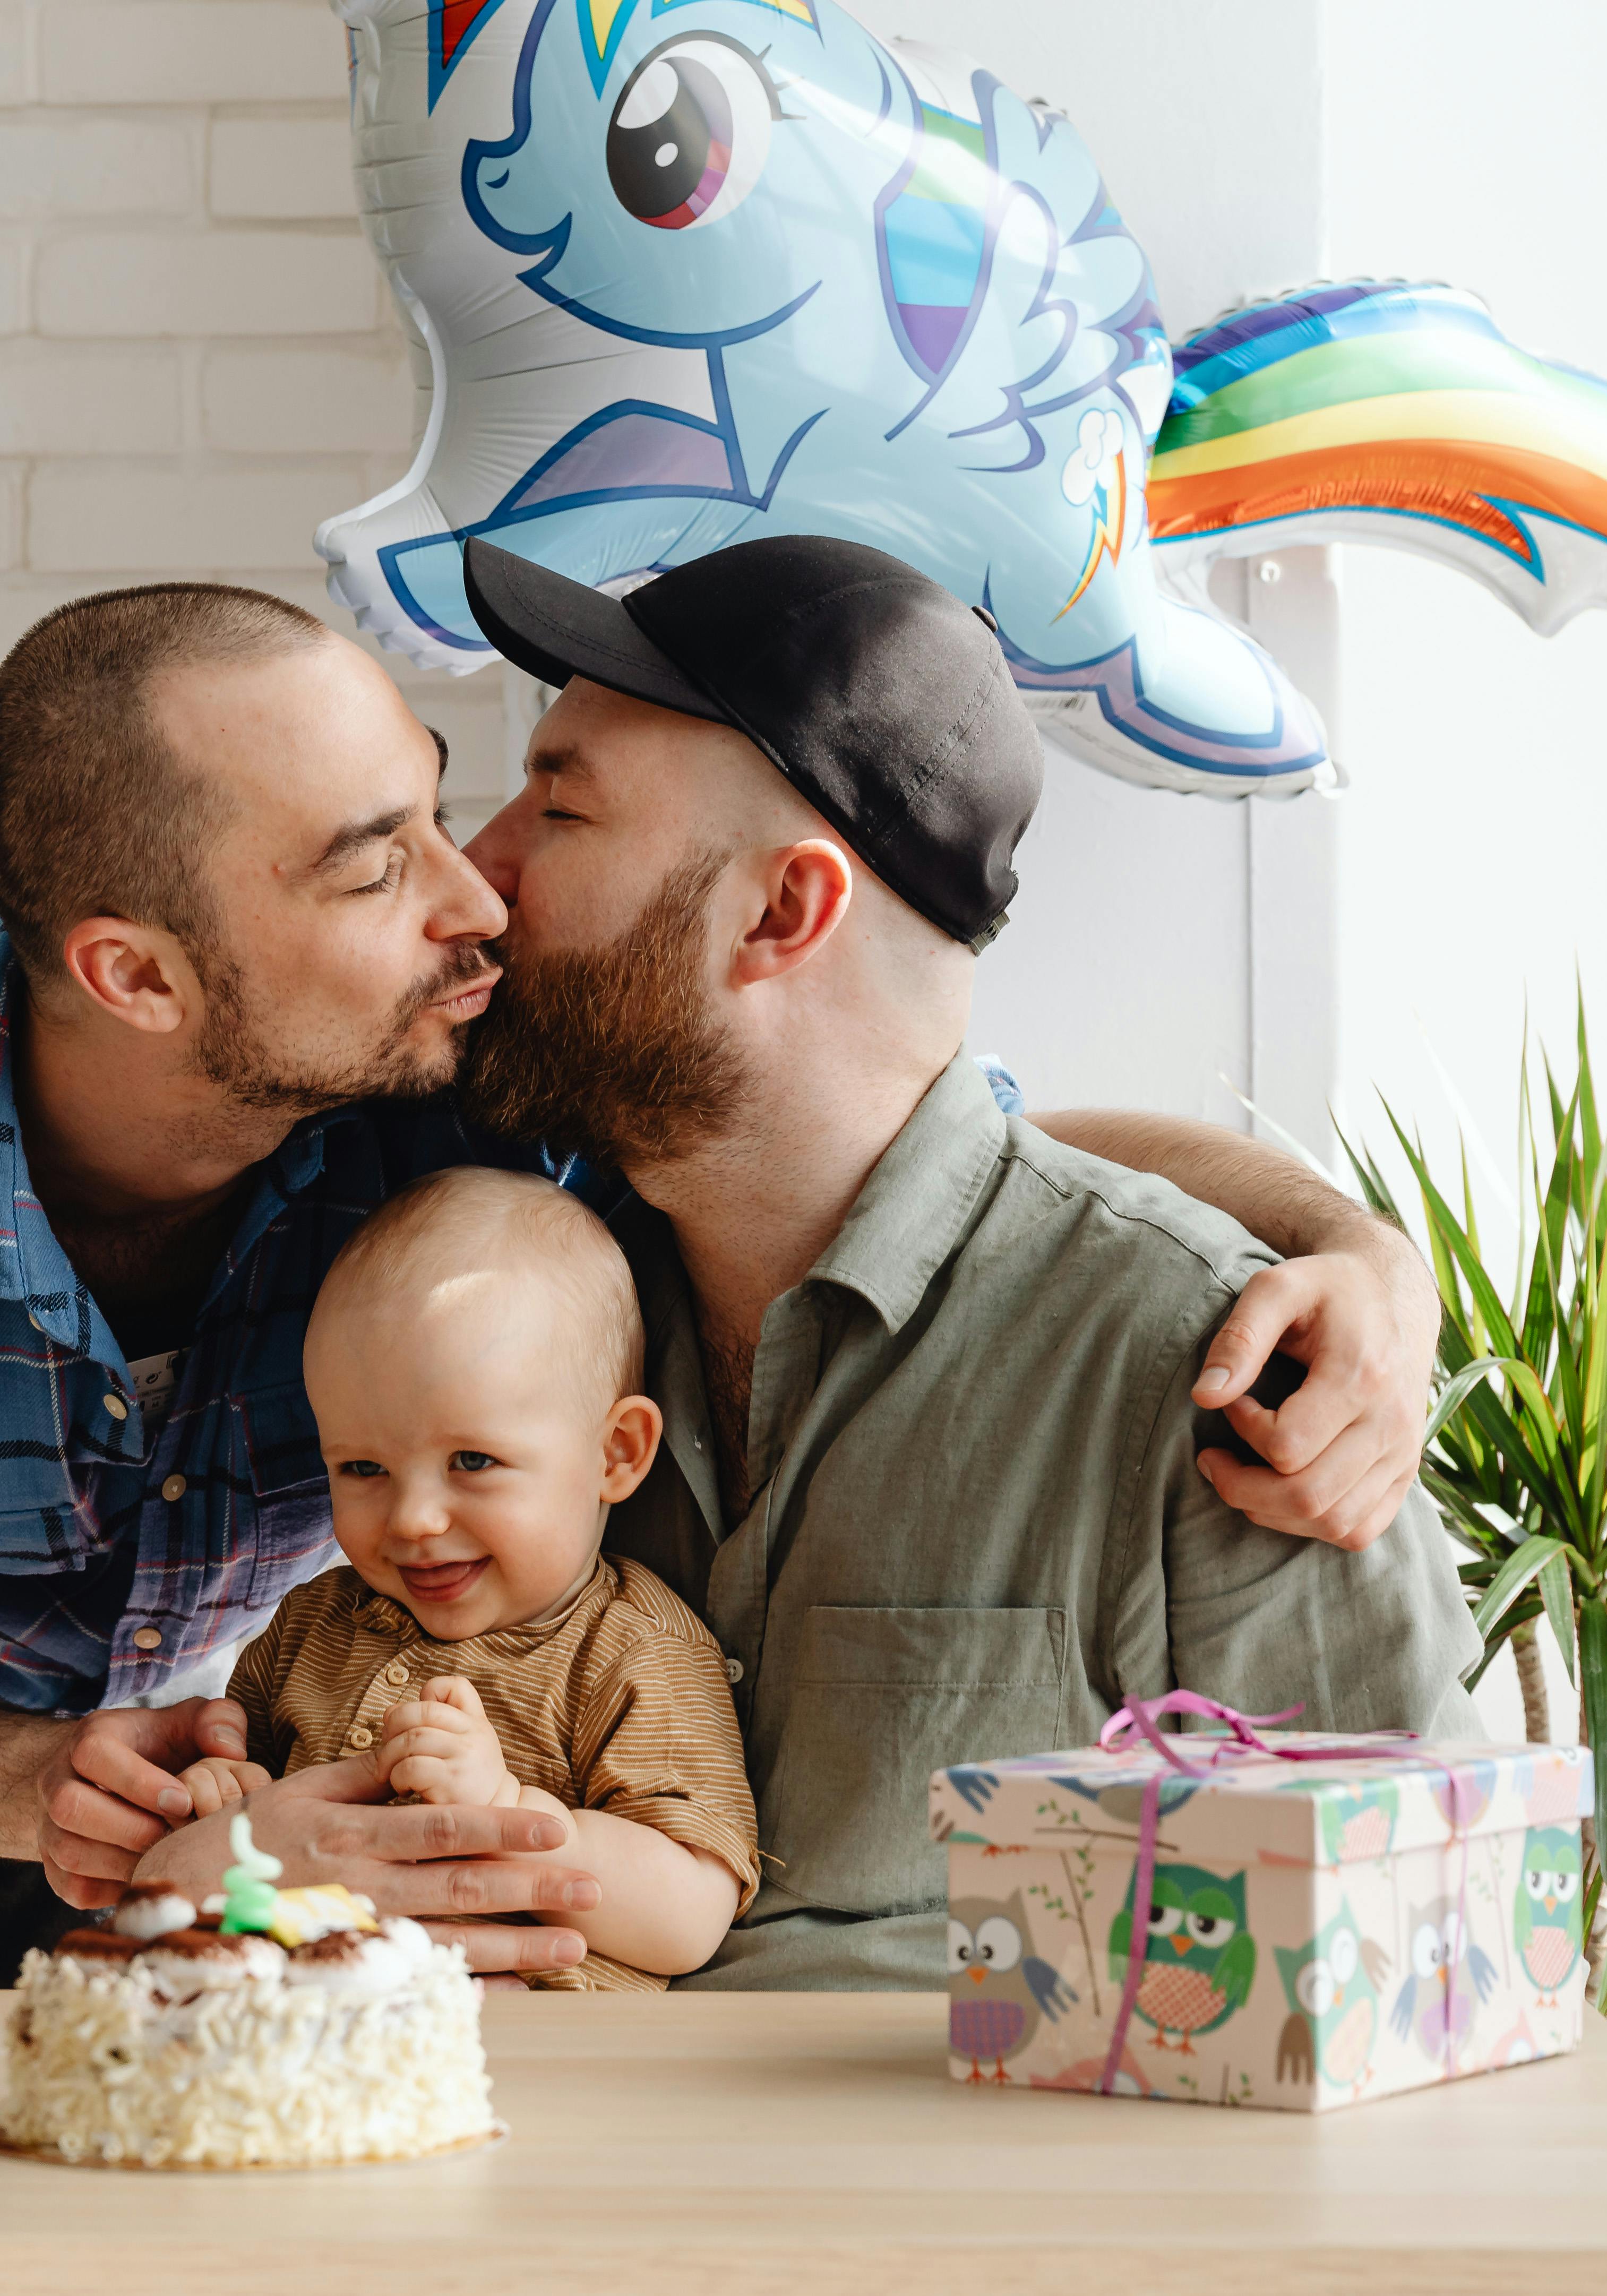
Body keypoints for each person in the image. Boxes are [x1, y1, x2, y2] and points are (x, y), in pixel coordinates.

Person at [0, 578, 1441, 1992]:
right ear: (139, 978)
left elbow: (927, 1141)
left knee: (58, 2067)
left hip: (202, 1715)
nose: (475, 894)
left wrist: (1347, 1249)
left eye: (500, 805)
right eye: (384, 864)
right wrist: (48, 1779)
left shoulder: (471, 1064)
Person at [134, 537, 1477, 1987]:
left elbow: (1425, 1949)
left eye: (560, 803)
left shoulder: (1206, 1370)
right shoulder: (515, 1297)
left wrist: (1365, 1258)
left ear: (782, 913)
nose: (480, 870)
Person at [175, 1166, 753, 1992]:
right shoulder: (308, 1629)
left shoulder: (634, 1650)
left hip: (536, 2080)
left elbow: (692, 1913)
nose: (412, 1518)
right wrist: (227, 1798)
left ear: (615, 1453)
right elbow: (253, 1828)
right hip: (303, 2063)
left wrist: (511, 1805)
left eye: (472, 1460)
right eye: (364, 1466)